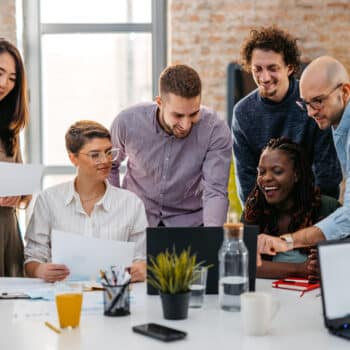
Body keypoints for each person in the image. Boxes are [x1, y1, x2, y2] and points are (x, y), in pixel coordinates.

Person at [109, 64, 232, 227]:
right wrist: (115, 213)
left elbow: (215, 191)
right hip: (137, 219)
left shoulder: (215, 130)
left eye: (193, 114)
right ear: (159, 102)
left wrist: (212, 240)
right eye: (178, 115)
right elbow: (110, 165)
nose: (186, 124)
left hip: (189, 223)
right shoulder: (127, 122)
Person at [24, 121, 148, 283]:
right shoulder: (48, 200)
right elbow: (33, 256)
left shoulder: (131, 204)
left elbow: (141, 258)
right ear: (73, 158)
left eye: (109, 152)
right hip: (62, 296)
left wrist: (140, 269)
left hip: (114, 296)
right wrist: (40, 270)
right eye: (95, 154)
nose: (105, 160)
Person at [231, 26, 341, 205]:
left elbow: (327, 173)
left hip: (313, 207)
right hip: (267, 210)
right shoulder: (242, 113)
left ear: (289, 68)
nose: (264, 77)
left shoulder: (313, 102)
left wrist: (307, 224)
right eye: (257, 69)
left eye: (272, 68)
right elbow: (246, 180)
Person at [257, 56, 350, 258]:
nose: (310, 112)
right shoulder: (338, 123)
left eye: (317, 101)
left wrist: (287, 241)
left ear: (344, 92)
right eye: (305, 103)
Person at [243, 137, 340, 279]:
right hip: (267, 297)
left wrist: (326, 265)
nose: (266, 178)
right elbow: (243, 263)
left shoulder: (328, 208)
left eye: (277, 171)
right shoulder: (254, 211)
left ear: (296, 175)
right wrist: (299, 269)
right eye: (261, 172)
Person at [0, 38, 29, 277]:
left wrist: (20, 192)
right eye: (0, 73)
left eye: (12, 78)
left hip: (6, 230)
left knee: (10, 311)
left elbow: (24, 193)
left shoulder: (9, 128)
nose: (4, 84)